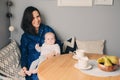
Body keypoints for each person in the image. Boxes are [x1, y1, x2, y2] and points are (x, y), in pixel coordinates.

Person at [19, 6, 62, 80]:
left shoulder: (47, 29)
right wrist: (24, 67)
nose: (36, 20)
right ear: (28, 20)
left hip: (49, 62)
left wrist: (53, 54)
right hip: (34, 65)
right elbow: (24, 54)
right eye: (33, 18)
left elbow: (57, 44)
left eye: (38, 16)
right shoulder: (25, 36)